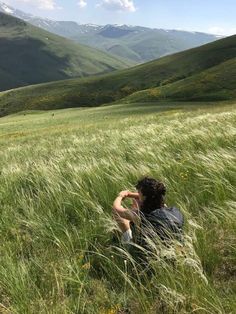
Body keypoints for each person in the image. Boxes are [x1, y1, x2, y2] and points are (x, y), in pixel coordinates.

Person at [112, 177, 184, 246]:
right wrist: (130, 194)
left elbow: (116, 209)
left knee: (121, 218)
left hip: (146, 252)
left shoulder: (140, 215)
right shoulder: (170, 210)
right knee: (136, 201)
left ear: (144, 197)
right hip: (171, 248)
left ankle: (124, 243)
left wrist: (120, 196)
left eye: (139, 192)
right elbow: (151, 196)